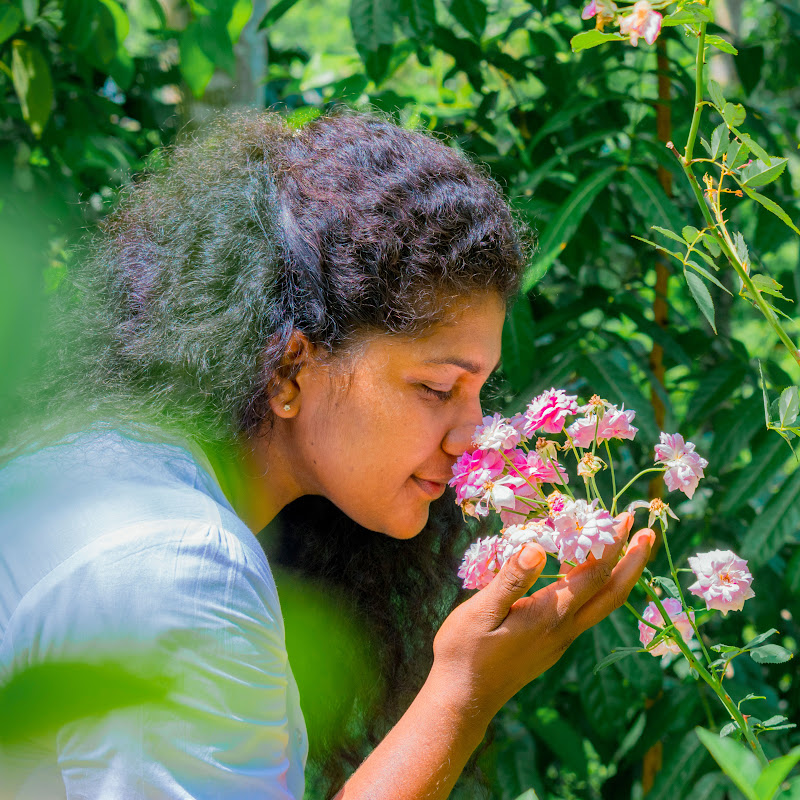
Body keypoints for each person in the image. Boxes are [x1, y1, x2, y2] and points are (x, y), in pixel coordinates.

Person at [0, 110, 655, 800]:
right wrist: (462, 695)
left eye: (479, 391)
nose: (471, 434)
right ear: (289, 372)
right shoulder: (176, 568)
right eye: (436, 387)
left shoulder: (95, 471)